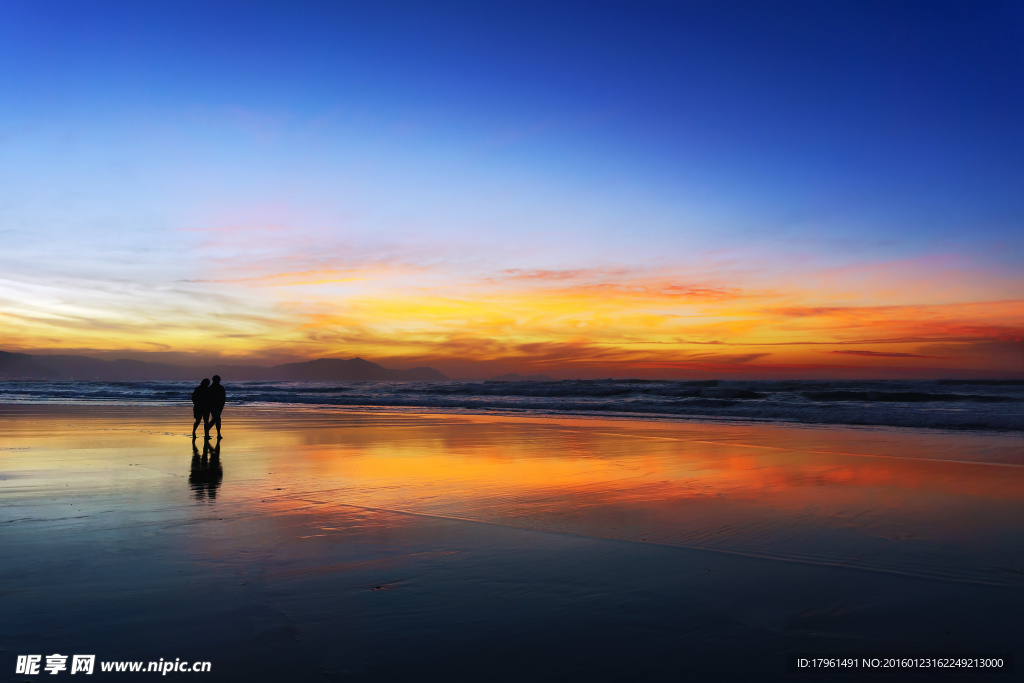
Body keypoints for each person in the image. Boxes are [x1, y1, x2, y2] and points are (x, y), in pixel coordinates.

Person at [209, 375, 226, 439]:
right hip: (214, 406)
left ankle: (208, 430)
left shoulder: (213, 387)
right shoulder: (213, 387)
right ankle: (218, 433)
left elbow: (223, 397)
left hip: (218, 406)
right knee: (217, 419)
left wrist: (222, 405)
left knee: (215, 419)